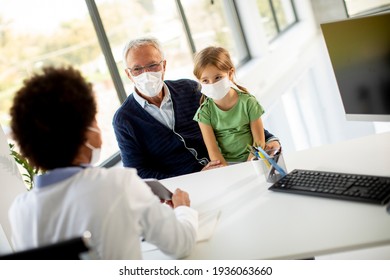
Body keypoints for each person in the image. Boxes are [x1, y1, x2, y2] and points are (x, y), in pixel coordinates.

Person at [8, 66, 197, 260]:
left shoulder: (19, 211)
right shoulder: (119, 185)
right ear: (86, 130)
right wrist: (183, 209)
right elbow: (181, 245)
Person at [113, 37, 280, 179]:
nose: (146, 73)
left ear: (164, 65)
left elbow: (231, 120)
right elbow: (138, 174)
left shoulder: (189, 89)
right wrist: (194, 176)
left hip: (226, 168)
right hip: (183, 188)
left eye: (152, 65)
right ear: (128, 74)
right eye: (137, 69)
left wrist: (269, 139)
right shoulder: (124, 119)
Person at [193, 46, 266, 166]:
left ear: (230, 73)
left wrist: (249, 165)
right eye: (205, 80)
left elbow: (259, 142)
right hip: (225, 165)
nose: (213, 84)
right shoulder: (204, 113)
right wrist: (229, 171)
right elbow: (213, 152)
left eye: (218, 77)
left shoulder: (248, 102)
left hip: (254, 160)